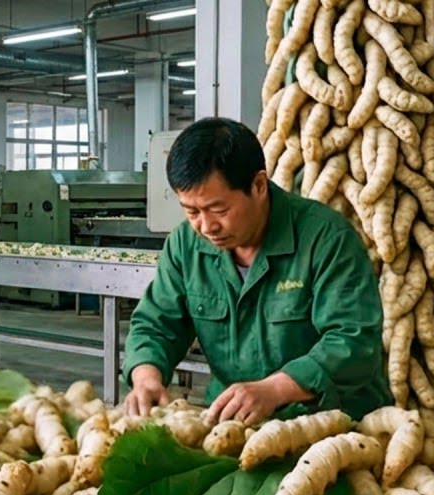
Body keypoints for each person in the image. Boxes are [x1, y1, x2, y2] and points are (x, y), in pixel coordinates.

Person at [123, 117, 391, 424]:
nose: (207, 226)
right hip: (232, 423)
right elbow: (157, 323)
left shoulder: (326, 239)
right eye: (192, 211)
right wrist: (146, 377)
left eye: (219, 210)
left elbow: (354, 341)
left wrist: (275, 389)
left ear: (259, 186)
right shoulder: (185, 245)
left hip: (329, 424)